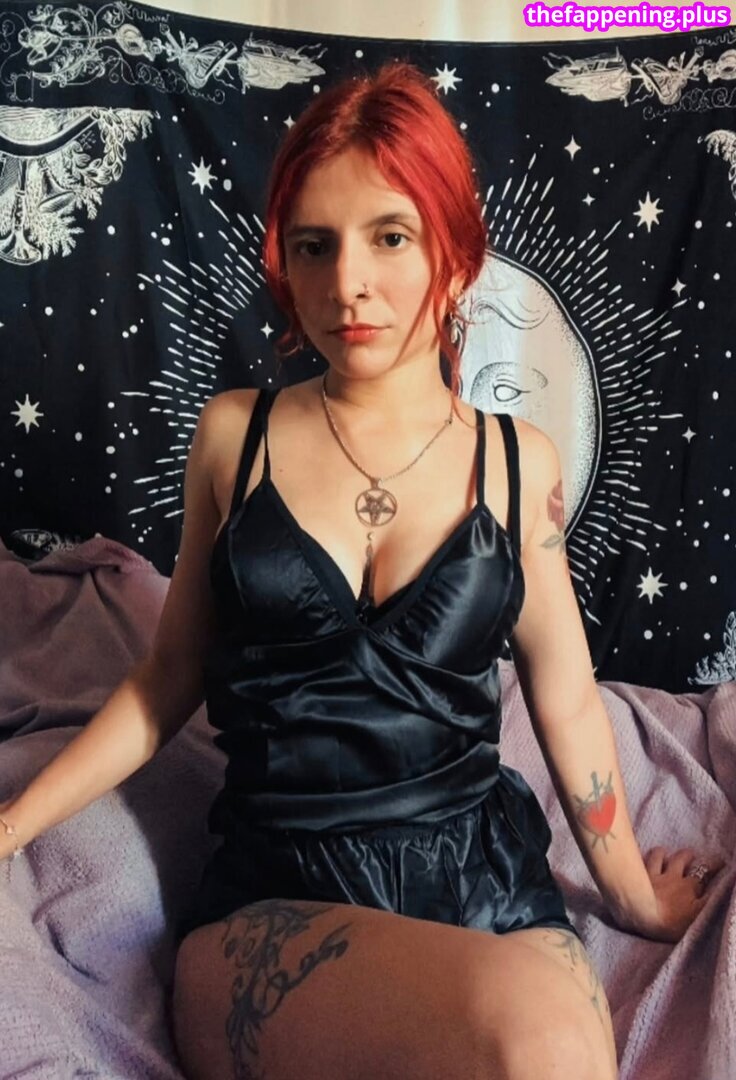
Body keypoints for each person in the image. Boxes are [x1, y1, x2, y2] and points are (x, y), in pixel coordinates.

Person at [0, 62, 722, 1080]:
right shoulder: (234, 438)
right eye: (315, 245)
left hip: (485, 884)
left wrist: (633, 898)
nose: (347, 283)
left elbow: (564, 701)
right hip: (279, 898)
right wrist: (10, 825)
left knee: (552, 1044)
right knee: (534, 1028)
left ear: (454, 253)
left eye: (389, 236)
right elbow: (167, 682)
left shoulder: (519, 464)